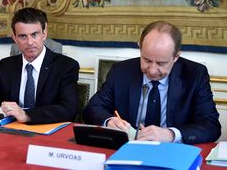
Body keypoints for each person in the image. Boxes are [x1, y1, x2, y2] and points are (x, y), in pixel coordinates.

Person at [83, 21, 221, 144]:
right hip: (129, 148)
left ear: (176, 57)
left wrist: (171, 134)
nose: (153, 71)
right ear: (140, 48)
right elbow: (92, 108)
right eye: (147, 60)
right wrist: (109, 122)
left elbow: (211, 126)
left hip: (171, 151)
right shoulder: (121, 71)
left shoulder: (195, 74)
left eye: (161, 63)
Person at [0, 7, 80, 124]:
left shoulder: (66, 66)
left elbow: (69, 109)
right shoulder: (6, 65)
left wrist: (26, 115)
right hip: (11, 131)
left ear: (44, 34)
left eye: (34, 34)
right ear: (14, 38)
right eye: (23, 36)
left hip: (47, 130)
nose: (30, 42)